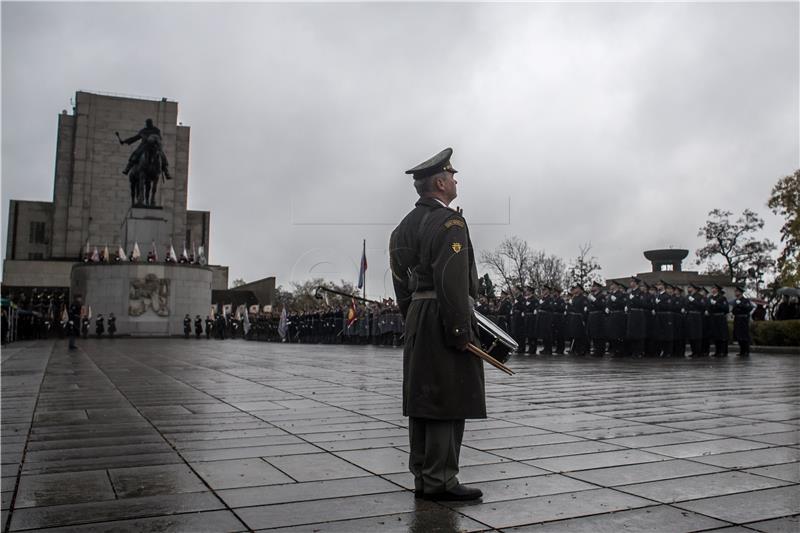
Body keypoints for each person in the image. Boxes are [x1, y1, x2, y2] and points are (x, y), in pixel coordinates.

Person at [389, 147, 484, 502]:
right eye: (452, 176)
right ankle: (442, 479)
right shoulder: (450, 223)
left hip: (417, 314)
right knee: (447, 396)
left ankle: (423, 476)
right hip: (444, 315)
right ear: (441, 183)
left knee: (422, 398)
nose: (456, 180)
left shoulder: (402, 229)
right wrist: (459, 330)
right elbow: (452, 282)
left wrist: (411, 315)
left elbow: (400, 283)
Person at [707, 284, 729, 357]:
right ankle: (717, 351)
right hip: (713, 318)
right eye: (712, 288)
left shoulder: (722, 298)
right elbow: (708, 306)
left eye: (714, 288)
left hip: (720, 318)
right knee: (716, 335)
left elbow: (726, 309)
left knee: (722, 335)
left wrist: (717, 304)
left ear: (717, 290)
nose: (713, 290)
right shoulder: (710, 297)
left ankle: (723, 351)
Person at [731, 286, 754, 356]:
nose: (735, 293)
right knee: (739, 335)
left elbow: (749, 308)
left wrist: (740, 305)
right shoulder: (735, 301)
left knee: (744, 336)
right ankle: (742, 351)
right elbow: (734, 311)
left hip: (743, 319)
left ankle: (746, 351)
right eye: (735, 291)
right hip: (737, 319)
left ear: (740, 293)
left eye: (737, 291)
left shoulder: (745, 300)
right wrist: (737, 307)